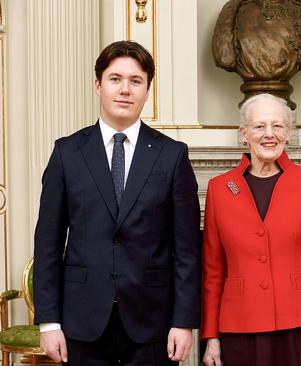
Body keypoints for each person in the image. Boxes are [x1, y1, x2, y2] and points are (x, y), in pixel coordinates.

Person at [33, 40, 201, 365]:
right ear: (98, 85)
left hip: (153, 323)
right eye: (115, 79)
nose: (125, 89)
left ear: (147, 90)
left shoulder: (172, 155)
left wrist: (184, 321)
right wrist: (49, 321)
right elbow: (48, 244)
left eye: (136, 81)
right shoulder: (67, 153)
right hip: (81, 323)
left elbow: (187, 250)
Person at [201, 93, 301, 366]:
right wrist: (211, 337)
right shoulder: (220, 189)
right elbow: (213, 270)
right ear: (244, 134)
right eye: (259, 126)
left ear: (288, 133)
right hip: (239, 325)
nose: (269, 134)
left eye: (277, 126)